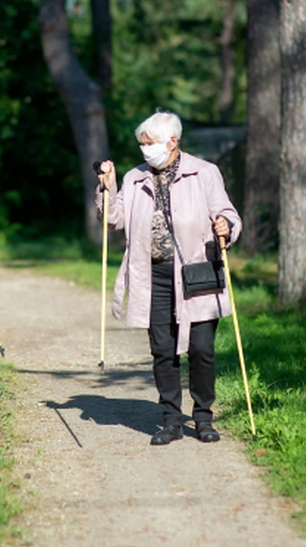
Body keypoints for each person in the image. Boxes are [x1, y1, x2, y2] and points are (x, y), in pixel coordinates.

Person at [97, 111, 241, 446]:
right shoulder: (135, 178)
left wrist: (226, 226)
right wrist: (107, 187)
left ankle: (203, 418)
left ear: (172, 142)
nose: (145, 150)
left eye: (150, 144)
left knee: (202, 350)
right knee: (163, 350)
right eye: (142, 144)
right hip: (154, 275)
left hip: (196, 274)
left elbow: (229, 214)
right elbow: (112, 220)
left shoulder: (204, 173)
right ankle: (171, 421)